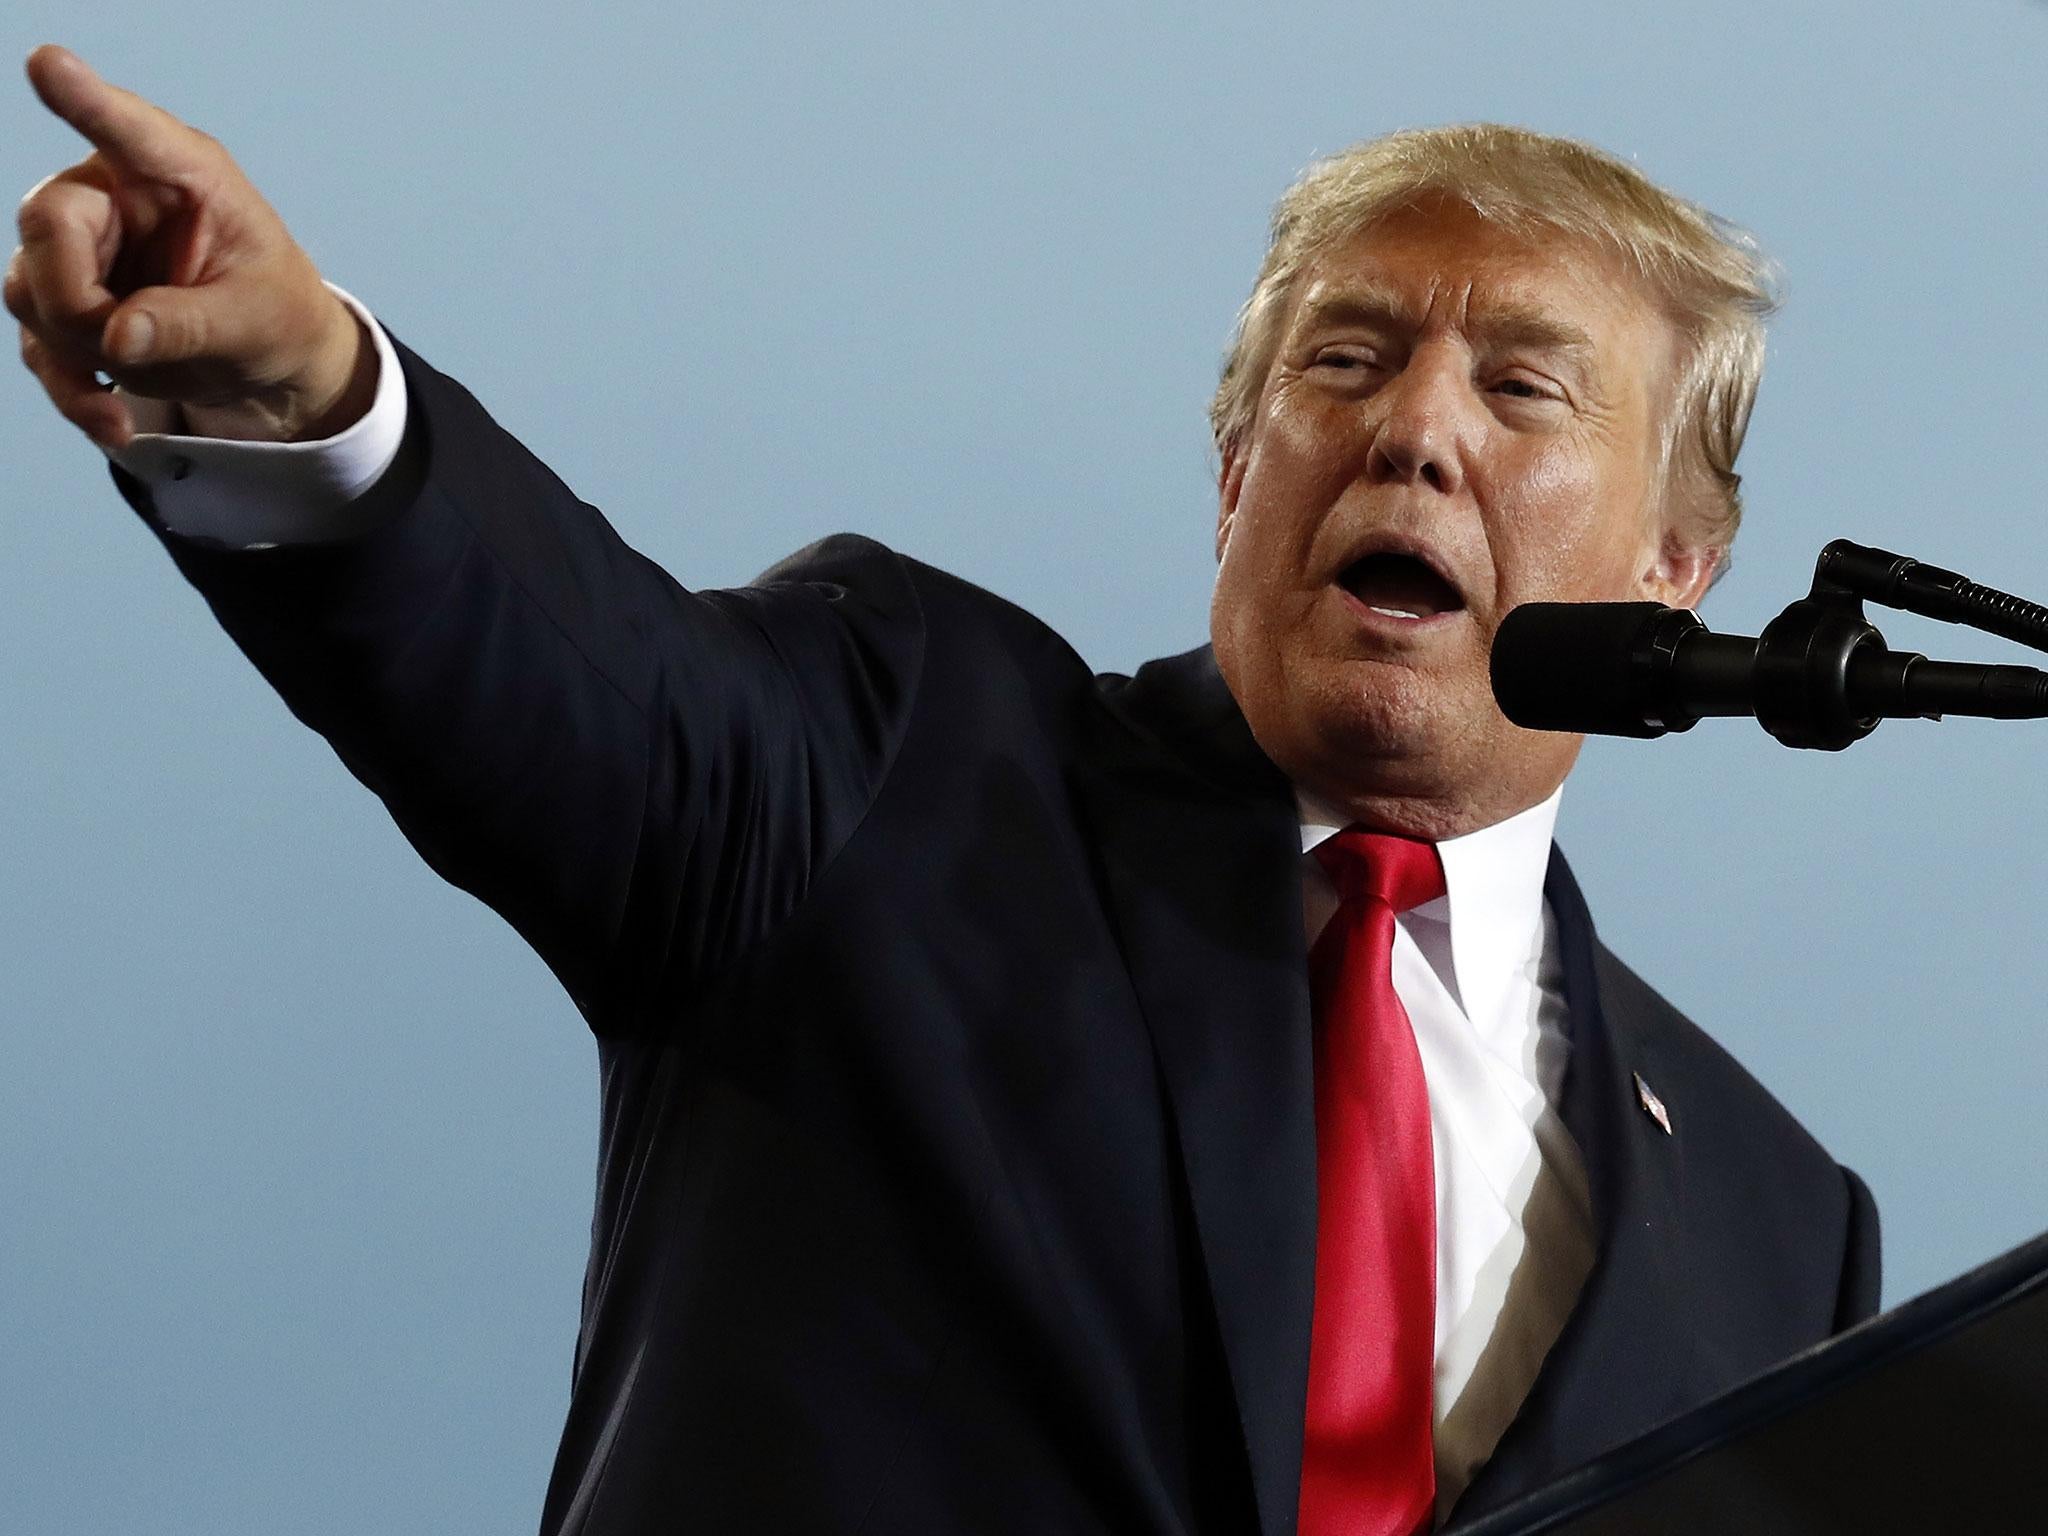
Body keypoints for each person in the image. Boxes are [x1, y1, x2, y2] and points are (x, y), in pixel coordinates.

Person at [11, 44, 1878, 1536]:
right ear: (1238, 476)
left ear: (1673, 567)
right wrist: (303, 395)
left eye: (1526, 390)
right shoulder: (907, 758)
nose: (1413, 428)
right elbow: (568, 677)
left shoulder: (1786, 1236)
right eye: (1347, 359)